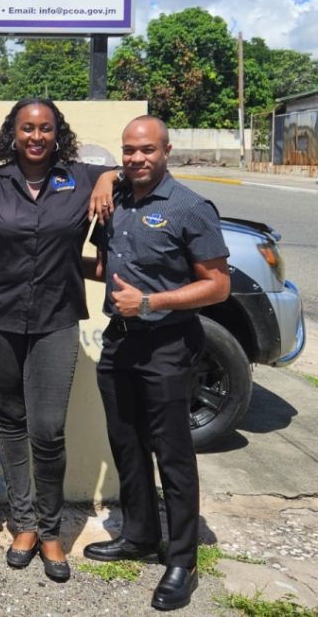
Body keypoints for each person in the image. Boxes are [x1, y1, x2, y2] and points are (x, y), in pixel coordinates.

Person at [0, 96, 118, 582]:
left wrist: (107, 178)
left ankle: (52, 530)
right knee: (11, 422)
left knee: (49, 430)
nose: (36, 137)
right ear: (12, 133)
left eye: (45, 128)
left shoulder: (78, 178)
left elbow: (127, 166)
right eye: (27, 128)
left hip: (56, 320)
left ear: (59, 133)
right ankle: (25, 523)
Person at [84, 116, 230, 612]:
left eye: (146, 150)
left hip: (167, 345)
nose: (136, 158)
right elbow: (105, 269)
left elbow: (217, 285)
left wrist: (149, 303)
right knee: (126, 444)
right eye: (128, 150)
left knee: (172, 454)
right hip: (119, 343)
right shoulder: (118, 199)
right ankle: (140, 534)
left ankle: (182, 560)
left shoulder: (190, 207)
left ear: (166, 150)